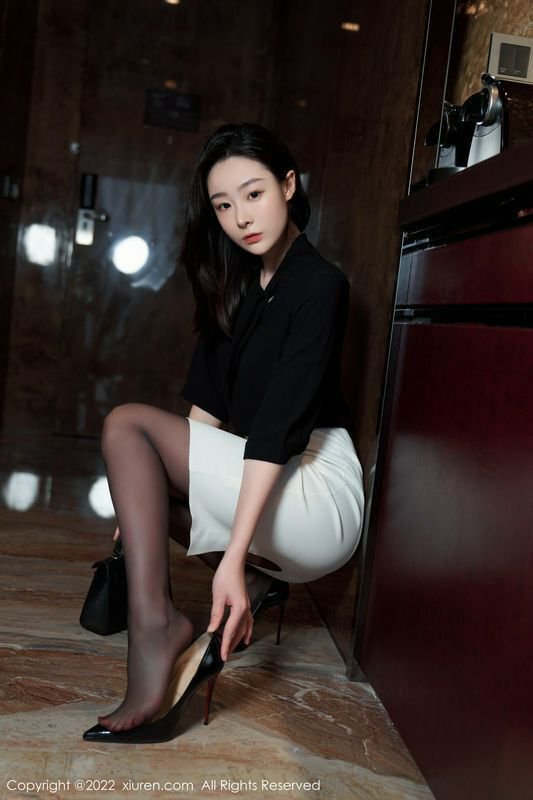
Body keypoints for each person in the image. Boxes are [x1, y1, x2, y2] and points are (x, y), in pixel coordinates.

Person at [83, 123, 365, 744]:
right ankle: (255, 584)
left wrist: (231, 557)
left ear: (288, 186)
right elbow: (208, 408)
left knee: (125, 422)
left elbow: (278, 432)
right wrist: (144, 492)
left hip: (318, 490)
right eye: (223, 205)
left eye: (254, 193)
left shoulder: (319, 285)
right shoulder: (235, 285)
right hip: (272, 477)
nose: (242, 217)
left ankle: (156, 629)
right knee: (142, 487)